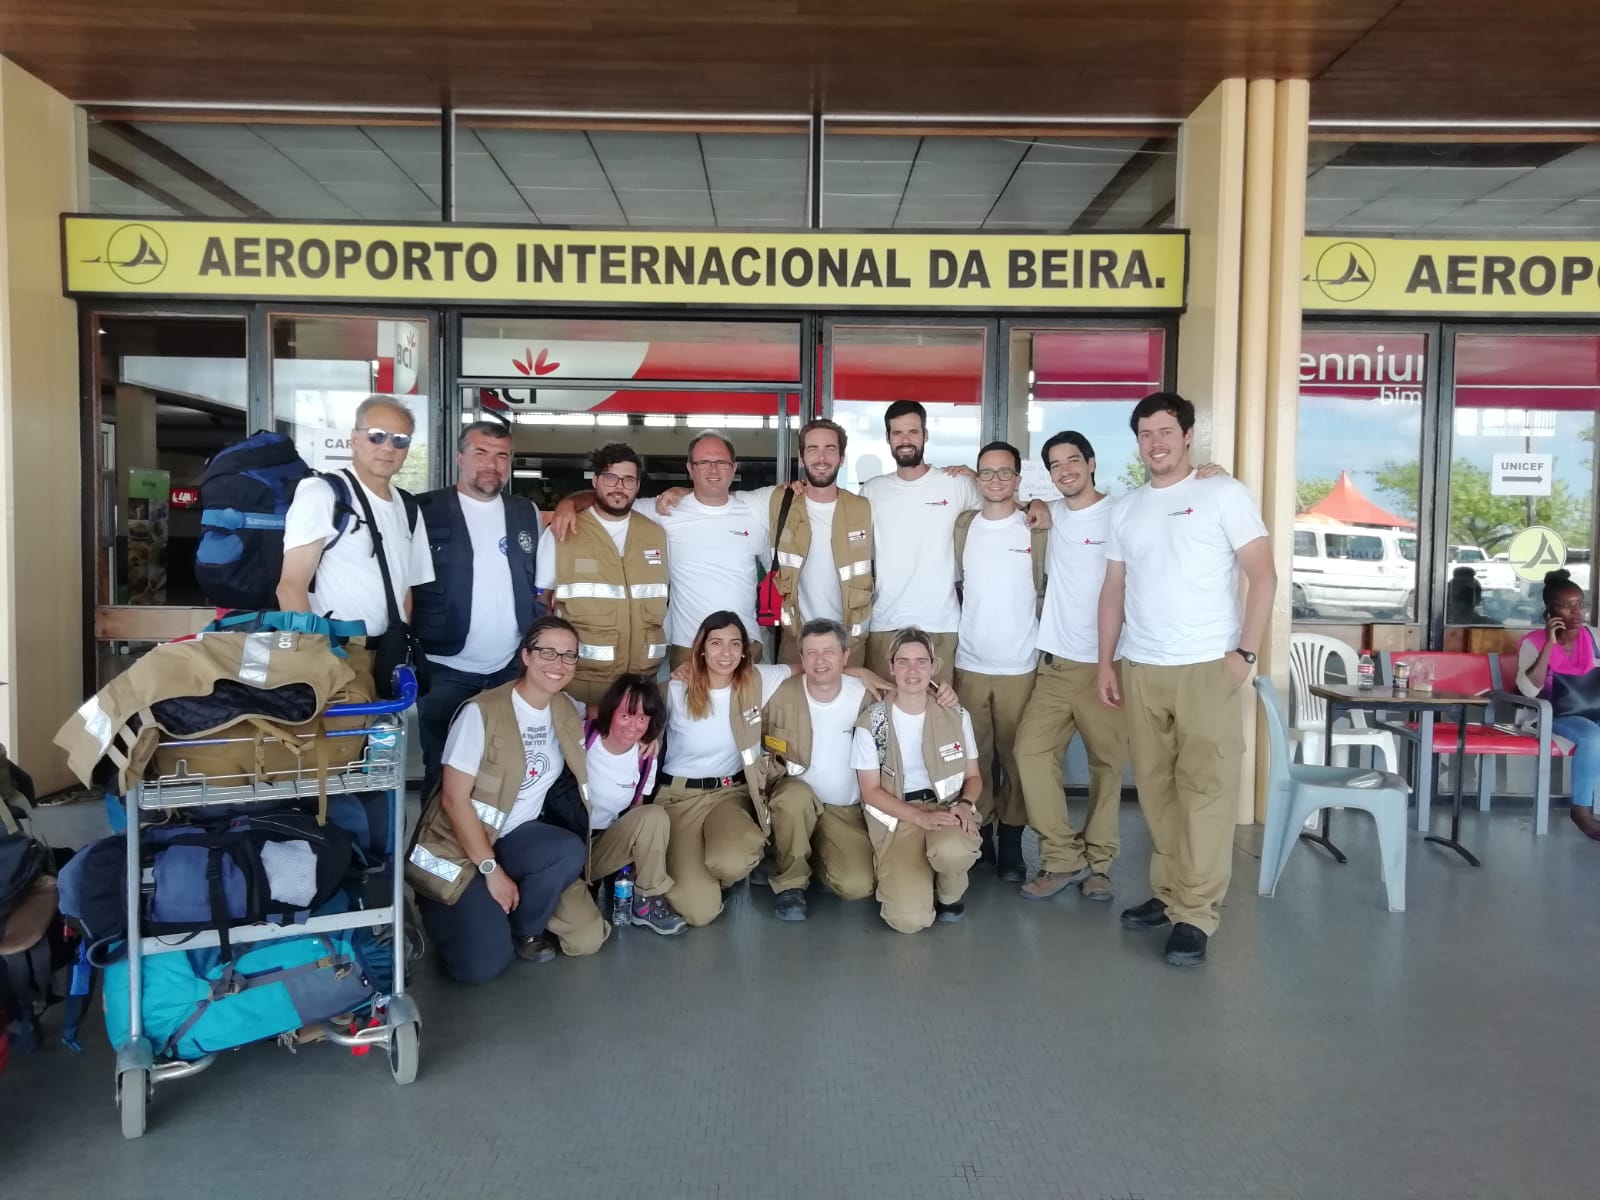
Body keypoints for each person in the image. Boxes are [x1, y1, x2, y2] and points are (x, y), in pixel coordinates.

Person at [1096, 392, 1274, 968]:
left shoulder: (1223, 494)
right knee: (1156, 791)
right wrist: (1106, 661)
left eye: (1166, 431)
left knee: (1206, 793)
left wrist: (1245, 653)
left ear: (1188, 435)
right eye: (1146, 434)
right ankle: (1170, 892)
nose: (1156, 443)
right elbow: (1114, 588)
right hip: (1142, 666)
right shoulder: (1126, 508)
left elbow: (1263, 576)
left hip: (1205, 666)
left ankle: (1196, 913)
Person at [404, 617, 590, 985]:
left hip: (513, 836)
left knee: (567, 850)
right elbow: (454, 800)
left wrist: (647, 726)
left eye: (569, 655)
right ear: (526, 655)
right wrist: (491, 871)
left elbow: (611, 713)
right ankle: (447, 912)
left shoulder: (565, 707)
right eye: (547, 652)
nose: (558, 663)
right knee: (480, 968)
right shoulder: (481, 712)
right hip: (456, 849)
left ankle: (522, 929)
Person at [653, 419, 875, 666]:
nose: (821, 457)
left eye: (830, 449)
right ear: (801, 458)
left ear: (842, 458)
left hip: (849, 643)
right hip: (795, 642)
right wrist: (681, 491)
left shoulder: (865, 509)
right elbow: (715, 494)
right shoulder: (776, 500)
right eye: (813, 449)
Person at [861, 400, 1048, 686]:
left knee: (940, 708)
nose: (905, 440)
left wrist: (1036, 503)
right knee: (887, 707)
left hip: (942, 625)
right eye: (897, 433)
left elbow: (1001, 502)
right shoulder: (873, 490)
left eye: (913, 432)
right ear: (888, 438)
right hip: (886, 622)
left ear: (925, 435)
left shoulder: (956, 484)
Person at [550, 432, 768, 668]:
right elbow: (613, 499)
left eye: (721, 462)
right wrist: (569, 503)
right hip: (688, 646)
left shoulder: (755, 514)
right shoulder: (664, 510)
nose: (713, 469)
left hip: (744, 642)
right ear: (690, 468)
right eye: (704, 462)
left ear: (733, 468)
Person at [412, 421, 544, 800]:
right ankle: (434, 839)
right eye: (481, 453)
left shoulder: (526, 512)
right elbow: (404, 587)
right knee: (442, 769)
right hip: (444, 669)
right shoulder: (423, 510)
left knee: (501, 769)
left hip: (509, 668)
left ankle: (486, 837)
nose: (492, 465)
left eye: (502, 456)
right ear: (459, 457)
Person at [657, 611, 796, 926]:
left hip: (728, 795)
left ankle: (718, 871)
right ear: (701, 648)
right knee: (700, 913)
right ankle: (696, 871)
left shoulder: (756, 680)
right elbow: (633, 714)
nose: (726, 652)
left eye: (735, 643)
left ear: (745, 650)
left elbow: (811, 667)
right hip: (678, 800)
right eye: (716, 643)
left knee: (733, 861)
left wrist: (860, 672)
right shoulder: (676, 690)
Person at [951, 441, 1042, 883]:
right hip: (970, 661)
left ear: (1018, 479)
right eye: (986, 472)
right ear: (977, 477)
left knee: (1017, 761)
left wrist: (1040, 504)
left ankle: (1011, 844)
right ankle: (981, 838)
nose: (995, 480)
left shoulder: (1035, 527)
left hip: (1020, 665)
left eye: (1005, 472)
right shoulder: (963, 526)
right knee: (976, 757)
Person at [852, 628, 982, 932]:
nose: (913, 670)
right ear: (891, 667)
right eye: (904, 661)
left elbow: (974, 776)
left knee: (952, 852)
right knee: (908, 921)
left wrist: (965, 804)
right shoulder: (873, 721)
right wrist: (919, 818)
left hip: (947, 810)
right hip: (899, 817)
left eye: (921, 661)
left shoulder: (956, 715)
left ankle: (949, 892)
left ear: (933, 667)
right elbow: (870, 792)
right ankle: (914, 874)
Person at [546, 675, 689, 945]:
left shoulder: (646, 757)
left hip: (602, 845)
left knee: (654, 816)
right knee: (585, 941)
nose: (633, 726)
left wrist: (633, 868)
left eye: (642, 718)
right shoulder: (581, 736)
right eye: (626, 715)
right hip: (566, 849)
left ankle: (646, 898)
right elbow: (555, 699)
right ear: (610, 711)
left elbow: (637, 816)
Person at [277, 394, 434, 637]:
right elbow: (290, 588)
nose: (388, 447)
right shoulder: (323, 493)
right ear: (354, 439)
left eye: (400, 440)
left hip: (388, 651)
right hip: (336, 649)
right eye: (376, 435)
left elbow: (404, 590)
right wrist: (316, 652)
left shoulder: (408, 507)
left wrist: (402, 645)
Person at [761, 619, 878, 920]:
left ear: (845, 655)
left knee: (856, 884)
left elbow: (912, 697)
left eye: (829, 651)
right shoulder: (778, 693)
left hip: (844, 810)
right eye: (811, 652)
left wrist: (943, 692)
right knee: (794, 798)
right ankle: (790, 884)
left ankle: (811, 856)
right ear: (801, 658)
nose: (820, 660)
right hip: (794, 804)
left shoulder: (867, 694)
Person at [536, 443, 670, 706]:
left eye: (628, 480)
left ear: (638, 486)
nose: (619, 487)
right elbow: (542, 602)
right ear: (595, 480)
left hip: (642, 683)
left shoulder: (656, 534)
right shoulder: (562, 532)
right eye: (610, 477)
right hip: (578, 684)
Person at [1515, 568, 1600, 840]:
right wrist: (1549, 645)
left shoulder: (1595, 637)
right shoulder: (1533, 643)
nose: (1577, 613)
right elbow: (1529, 690)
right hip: (1552, 714)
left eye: (1580, 605)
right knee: (1593, 736)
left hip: (1593, 711)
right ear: (1550, 611)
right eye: (1566, 606)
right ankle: (1581, 810)